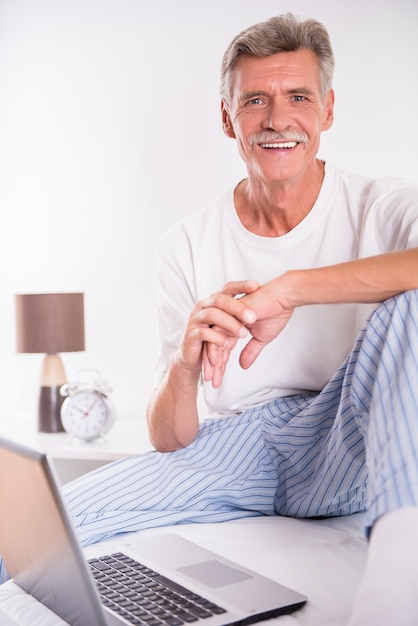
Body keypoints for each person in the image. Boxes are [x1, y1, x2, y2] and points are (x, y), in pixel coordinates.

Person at [3, 12, 418, 624]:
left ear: (327, 111)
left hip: (347, 433)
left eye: (297, 97)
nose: (278, 119)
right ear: (228, 118)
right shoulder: (185, 244)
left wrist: (290, 291)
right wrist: (184, 365)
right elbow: (168, 439)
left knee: (409, 304)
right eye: (255, 100)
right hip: (243, 447)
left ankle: (399, 571)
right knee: (42, 527)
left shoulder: (381, 206)